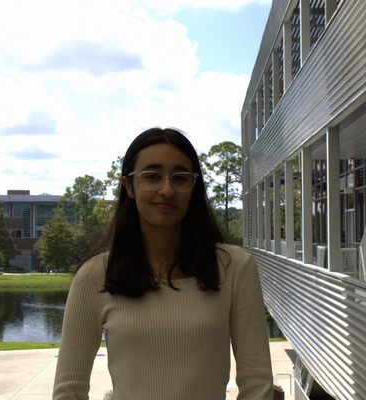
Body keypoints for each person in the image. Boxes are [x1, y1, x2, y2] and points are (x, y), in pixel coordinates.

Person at [53, 127, 273, 400]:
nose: (166, 189)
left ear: (193, 188)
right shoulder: (93, 277)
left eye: (180, 178)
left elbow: (257, 386)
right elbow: (68, 393)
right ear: (129, 187)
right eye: (152, 176)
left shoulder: (235, 268)